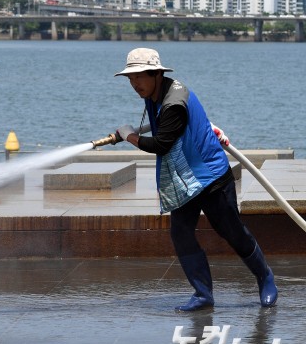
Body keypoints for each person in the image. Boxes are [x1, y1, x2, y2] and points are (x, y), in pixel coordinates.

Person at [113, 47, 277, 311]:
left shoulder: (173, 102)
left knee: (231, 231)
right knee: (181, 233)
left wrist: (129, 136)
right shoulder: (155, 91)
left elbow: (162, 144)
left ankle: (264, 276)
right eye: (130, 79)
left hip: (210, 176)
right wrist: (205, 124)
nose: (134, 84)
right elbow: (182, 121)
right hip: (184, 178)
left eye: (139, 77)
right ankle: (203, 294)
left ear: (156, 73)